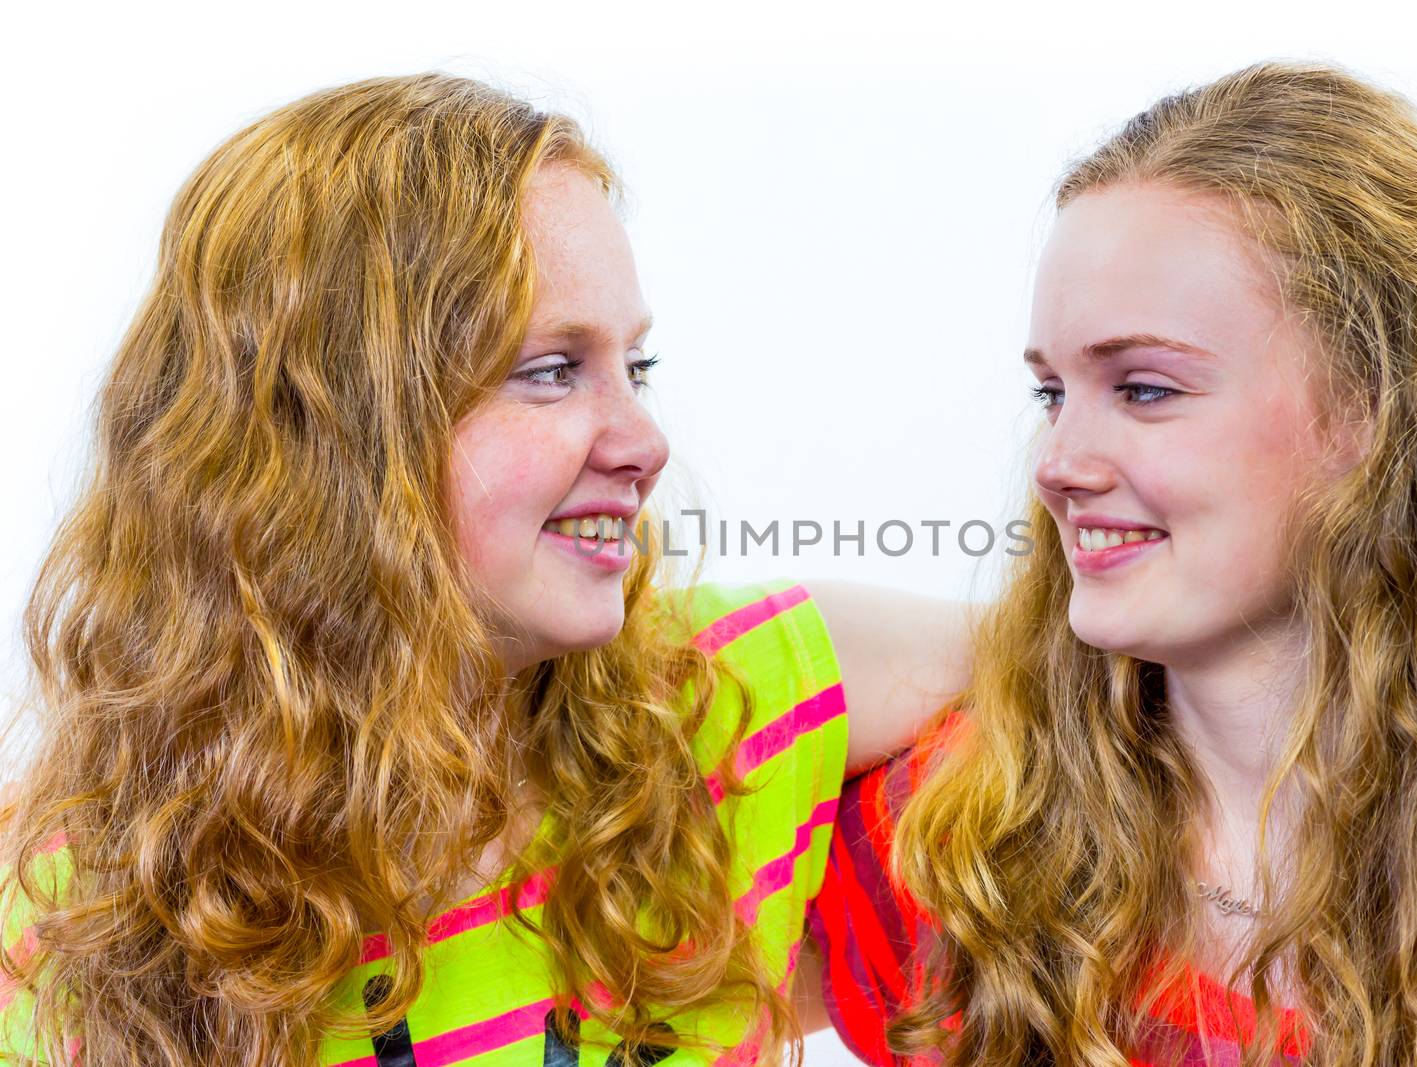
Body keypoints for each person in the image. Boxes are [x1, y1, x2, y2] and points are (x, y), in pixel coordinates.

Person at [0, 73, 968, 1067]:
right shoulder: (63, 914)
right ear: (341, 429)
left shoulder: (728, 705)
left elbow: (1094, 664)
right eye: (552, 370)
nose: (644, 440)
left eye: (636, 367)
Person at [802, 60, 1417, 1065]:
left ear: (1370, 409)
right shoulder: (953, 849)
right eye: (1053, 392)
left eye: (1142, 389)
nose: (1057, 465)